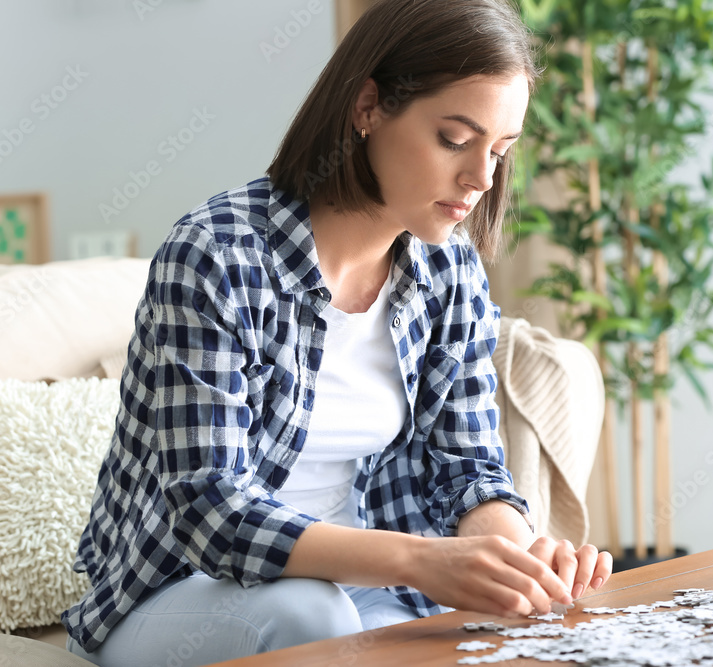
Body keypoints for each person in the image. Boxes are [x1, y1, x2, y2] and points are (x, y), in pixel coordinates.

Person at [62, 0, 613, 664]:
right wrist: (421, 560)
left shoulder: (449, 267)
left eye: (500, 150)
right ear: (368, 107)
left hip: (363, 588)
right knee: (314, 612)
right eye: (454, 139)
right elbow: (213, 511)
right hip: (177, 591)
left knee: (508, 629)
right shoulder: (216, 255)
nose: (481, 178)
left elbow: (467, 467)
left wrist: (516, 556)